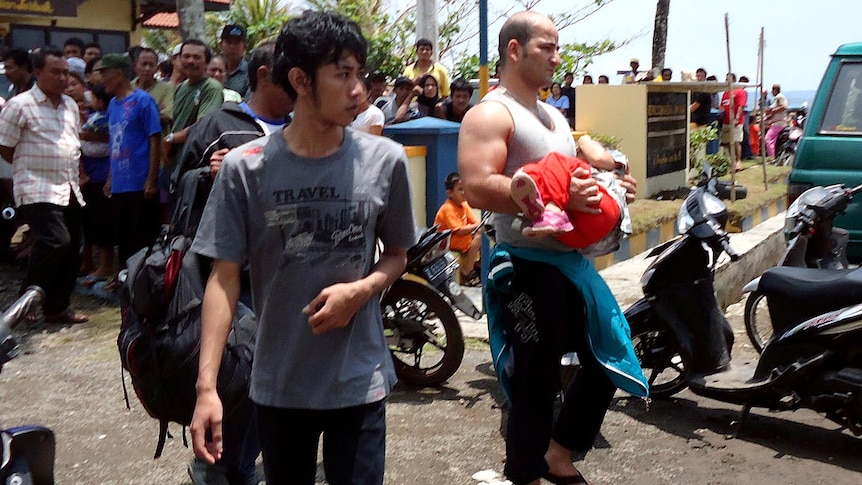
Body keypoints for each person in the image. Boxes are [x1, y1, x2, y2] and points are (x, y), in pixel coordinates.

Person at [189, 11, 416, 485]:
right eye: (343, 74)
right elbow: (223, 278)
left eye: (360, 74)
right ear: (299, 80)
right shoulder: (245, 170)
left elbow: (398, 255)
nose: (359, 89)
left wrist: (363, 290)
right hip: (279, 383)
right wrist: (206, 387)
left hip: (360, 379)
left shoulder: (385, 160)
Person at [457, 11, 647, 485]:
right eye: (548, 47)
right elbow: (478, 186)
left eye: (558, 47)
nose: (557, 58)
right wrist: (556, 196)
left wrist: (608, 184)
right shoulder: (490, 113)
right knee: (536, 379)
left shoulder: (554, 117)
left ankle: (557, 453)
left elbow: (570, 175)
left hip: (569, 265)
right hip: (525, 264)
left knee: (609, 355)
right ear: (515, 50)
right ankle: (524, 472)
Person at [174, 42, 292, 485]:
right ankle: (218, 466)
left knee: (272, 386)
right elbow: (177, 188)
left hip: (283, 280)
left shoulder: (305, 129)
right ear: (265, 74)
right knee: (241, 378)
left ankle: (237, 465)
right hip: (228, 280)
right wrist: (208, 174)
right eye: (291, 73)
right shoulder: (218, 125)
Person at [0, 46, 89, 324]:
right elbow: (5, 147)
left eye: (66, 73)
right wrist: (30, 167)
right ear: (38, 71)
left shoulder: (70, 105)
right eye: (56, 72)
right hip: (37, 186)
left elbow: (73, 143)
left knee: (74, 247)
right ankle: (26, 302)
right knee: (55, 241)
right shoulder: (20, 105)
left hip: (68, 186)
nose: (63, 78)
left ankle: (56, 308)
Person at [95, 53, 162, 286]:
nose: (102, 79)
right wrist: (110, 178)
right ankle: (123, 276)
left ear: (119, 74)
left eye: (105, 74)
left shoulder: (143, 101)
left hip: (140, 180)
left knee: (141, 233)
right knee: (121, 233)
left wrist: (152, 179)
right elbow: (115, 142)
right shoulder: (113, 105)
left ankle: (143, 280)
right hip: (120, 181)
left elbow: (155, 138)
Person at [509, 135, 628, 253]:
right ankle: (540, 208)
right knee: (536, 174)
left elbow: (598, 158)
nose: (575, 154)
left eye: (579, 151)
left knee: (555, 159)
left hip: (604, 205)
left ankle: (551, 208)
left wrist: (584, 139)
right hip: (578, 234)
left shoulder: (615, 160)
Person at [78, 84, 114, 286]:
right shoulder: (94, 115)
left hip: (102, 175)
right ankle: (89, 262)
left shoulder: (104, 118)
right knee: (90, 221)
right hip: (90, 174)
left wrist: (85, 135)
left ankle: (105, 266)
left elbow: (93, 136)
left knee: (102, 222)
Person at [434, 172, 481, 284]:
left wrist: (478, 225)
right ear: (450, 193)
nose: (464, 192)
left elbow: (474, 222)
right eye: (460, 189)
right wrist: (478, 226)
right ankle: (467, 270)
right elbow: (458, 231)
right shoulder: (448, 208)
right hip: (449, 246)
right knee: (479, 234)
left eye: (465, 188)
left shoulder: (464, 205)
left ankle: (476, 270)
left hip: (464, 245)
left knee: (482, 233)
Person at [132, 47, 174, 132]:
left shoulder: (167, 88)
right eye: (144, 64)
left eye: (151, 65)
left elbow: (166, 117)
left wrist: (135, 112)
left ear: (157, 68)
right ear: (135, 66)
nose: (147, 68)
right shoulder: (129, 88)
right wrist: (155, 109)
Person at [721, 73, 747, 171]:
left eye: (729, 79)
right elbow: (722, 105)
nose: (727, 81)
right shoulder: (725, 93)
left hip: (736, 121)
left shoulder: (739, 92)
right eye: (726, 79)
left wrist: (737, 118)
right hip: (726, 121)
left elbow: (741, 105)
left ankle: (738, 161)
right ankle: (733, 160)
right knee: (726, 142)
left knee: (736, 141)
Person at [220, 23, 251, 97]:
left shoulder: (250, 71)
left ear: (244, 47)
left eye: (237, 43)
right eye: (228, 42)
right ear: (221, 45)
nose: (232, 47)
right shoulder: (213, 69)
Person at [764, 83, 788, 157]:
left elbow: (783, 107)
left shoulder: (779, 97)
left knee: (768, 139)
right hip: (777, 122)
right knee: (773, 140)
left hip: (778, 123)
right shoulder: (778, 98)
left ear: (775, 90)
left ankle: (771, 157)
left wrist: (773, 111)